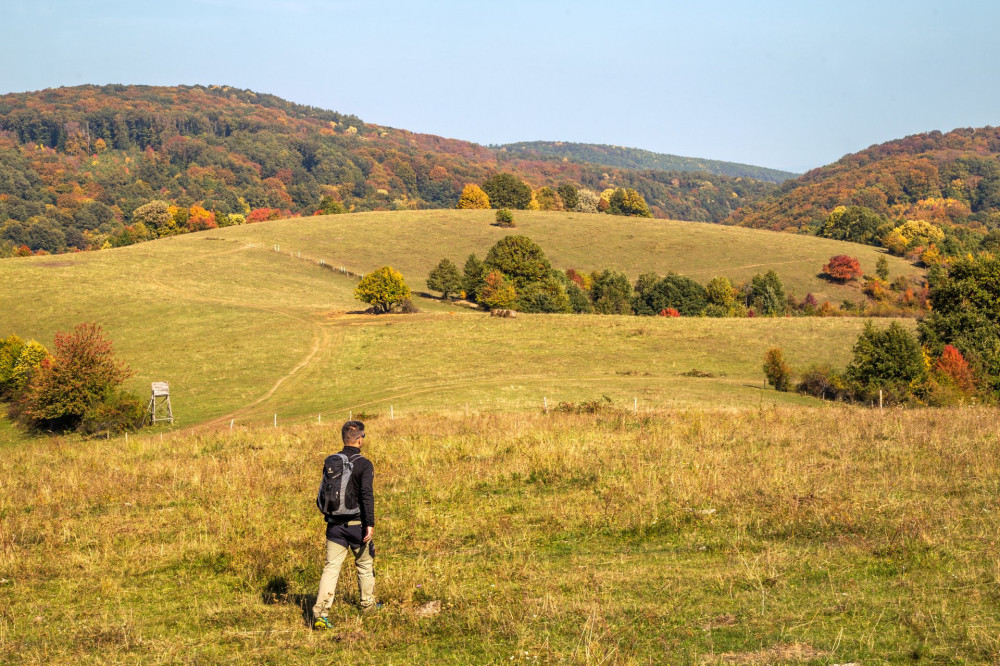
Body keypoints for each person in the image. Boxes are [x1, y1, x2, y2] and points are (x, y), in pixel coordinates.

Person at [312, 420, 377, 628]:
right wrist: (370, 523)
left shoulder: (331, 461)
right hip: (357, 524)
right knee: (365, 565)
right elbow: (366, 494)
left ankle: (321, 614)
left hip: (334, 525)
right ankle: (368, 606)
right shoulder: (364, 464)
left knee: (331, 569)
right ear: (360, 439)